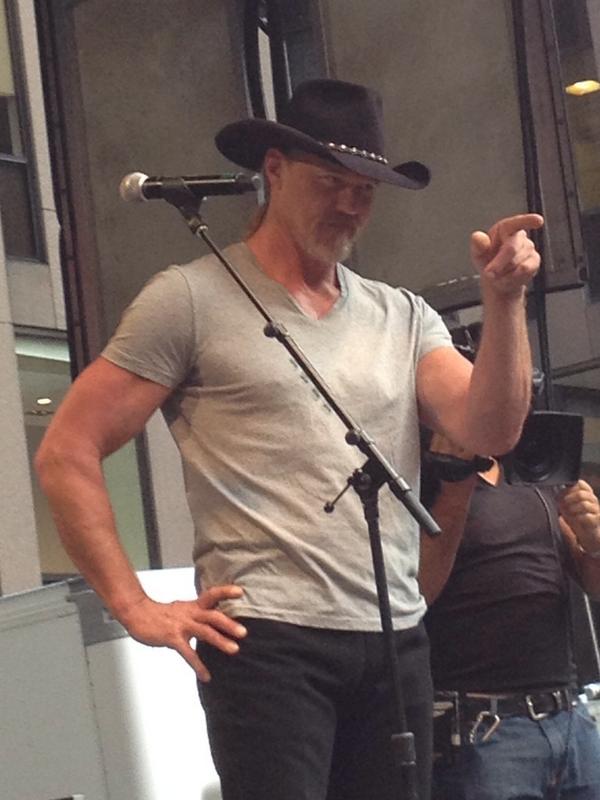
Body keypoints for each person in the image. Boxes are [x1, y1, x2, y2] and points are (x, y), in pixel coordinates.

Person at [35, 79, 543, 800]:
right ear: (273, 170)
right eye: (330, 182)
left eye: (364, 190)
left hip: (394, 635)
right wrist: (134, 605)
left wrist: (506, 301)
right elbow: (66, 451)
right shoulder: (189, 298)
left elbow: (490, 429)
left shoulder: (402, 316)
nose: (349, 204)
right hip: (267, 639)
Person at [420, 426, 600, 800]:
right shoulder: (423, 477)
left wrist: (595, 542)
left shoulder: (532, 474)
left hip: (568, 717)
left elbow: (593, 584)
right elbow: (417, 591)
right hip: (484, 727)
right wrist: (454, 483)